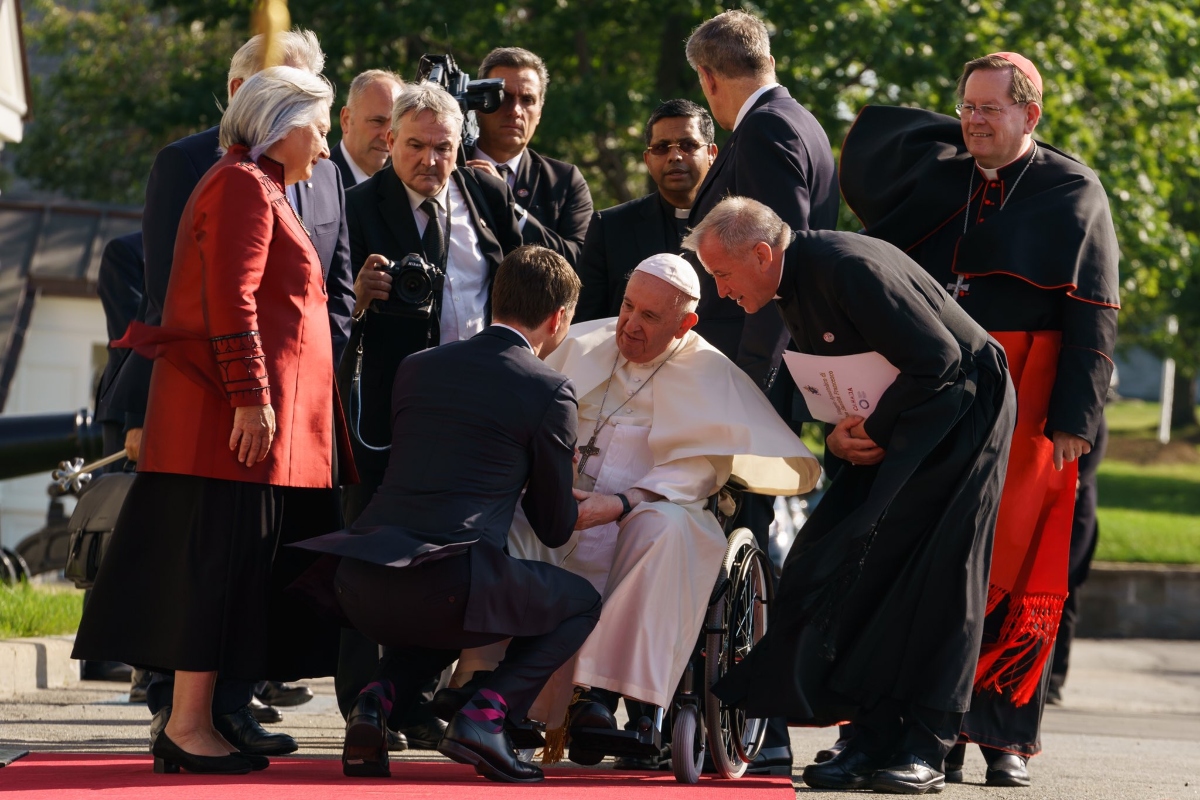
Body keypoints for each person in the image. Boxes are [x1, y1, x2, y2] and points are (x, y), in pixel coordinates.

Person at [837, 52, 1120, 787]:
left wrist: (1074, 423)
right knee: (912, 554)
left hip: (1029, 404)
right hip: (936, 395)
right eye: (965, 107)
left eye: (989, 109)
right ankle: (896, 723)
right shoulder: (940, 179)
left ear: (1032, 115)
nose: (972, 121)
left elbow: (1093, 316)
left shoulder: (1074, 192)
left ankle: (998, 736)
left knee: (1009, 563)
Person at [72, 66, 351, 776]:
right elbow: (233, 300)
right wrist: (253, 395)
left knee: (229, 577)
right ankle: (187, 726)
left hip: (246, 431)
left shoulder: (262, 186)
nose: (325, 146)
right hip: (230, 429)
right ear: (283, 123)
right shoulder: (240, 186)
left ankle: (197, 722)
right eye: (320, 128)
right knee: (212, 577)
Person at [685, 196, 1016, 795]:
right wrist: (839, 434)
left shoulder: (843, 267)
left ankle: (925, 746)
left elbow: (940, 360)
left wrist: (873, 430)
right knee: (844, 558)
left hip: (967, 410)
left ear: (761, 254)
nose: (720, 291)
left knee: (937, 575)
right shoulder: (792, 281)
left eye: (722, 275)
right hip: (911, 415)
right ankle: (868, 737)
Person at [453, 253, 820, 769]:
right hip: (565, 510)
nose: (629, 324)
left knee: (663, 527)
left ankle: (602, 698)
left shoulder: (708, 372)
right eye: (628, 307)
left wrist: (623, 502)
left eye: (649, 317)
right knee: (510, 519)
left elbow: (699, 469)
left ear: (685, 323)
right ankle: (489, 688)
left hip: (647, 512)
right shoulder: (584, 342)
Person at [297, 245, 601, 784]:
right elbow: (553, 527)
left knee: (441, 607)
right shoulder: (550, 389)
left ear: (494, 298)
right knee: (579, 603)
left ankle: (377, 700)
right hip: (443, 583)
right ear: (559, 320)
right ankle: (488, 715)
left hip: (362, 578)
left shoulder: (419, 368)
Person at [336, 80, 530, 748]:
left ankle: (412, 700)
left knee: (451, 565)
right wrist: (357, 297)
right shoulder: (354, 207)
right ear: (389, 141)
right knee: (373, 560)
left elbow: (523, 279)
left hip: (473, 416)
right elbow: (323, 311)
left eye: (442, 147)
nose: (429, 160)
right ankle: (363, 705)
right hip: (385, 412)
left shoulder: (488, 195)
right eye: (414, 144)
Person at [684, 10, 840, 770]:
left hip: (758, 377)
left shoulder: (770, 133)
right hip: (762, 372)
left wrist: (747, 387)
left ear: (708, 78)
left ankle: (766, 724)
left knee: (748, 541)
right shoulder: (797, 122)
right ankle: (751, 718)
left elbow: (770, 270)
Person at [575, 100, 717, 321]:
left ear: (712, 153)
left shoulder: (737, 224)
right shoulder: (610, 227)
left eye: (688, 145)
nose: (675, 156)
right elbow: (587, 321)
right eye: (661, 147)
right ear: (647, 159)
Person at [464, 46, 593, 266]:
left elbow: (581, 260)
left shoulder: (565, 181)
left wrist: (509, 207)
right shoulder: (446, 167)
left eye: (527, 100)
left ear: (540, 112)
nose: (515, 110)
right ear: (478, 104)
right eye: (503, 97)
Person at [329, 69, 405, 188]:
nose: (387, 137)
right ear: (346, 120)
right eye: (377, 121)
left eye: (394, 126)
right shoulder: (316, 182)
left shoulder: (401, 187)